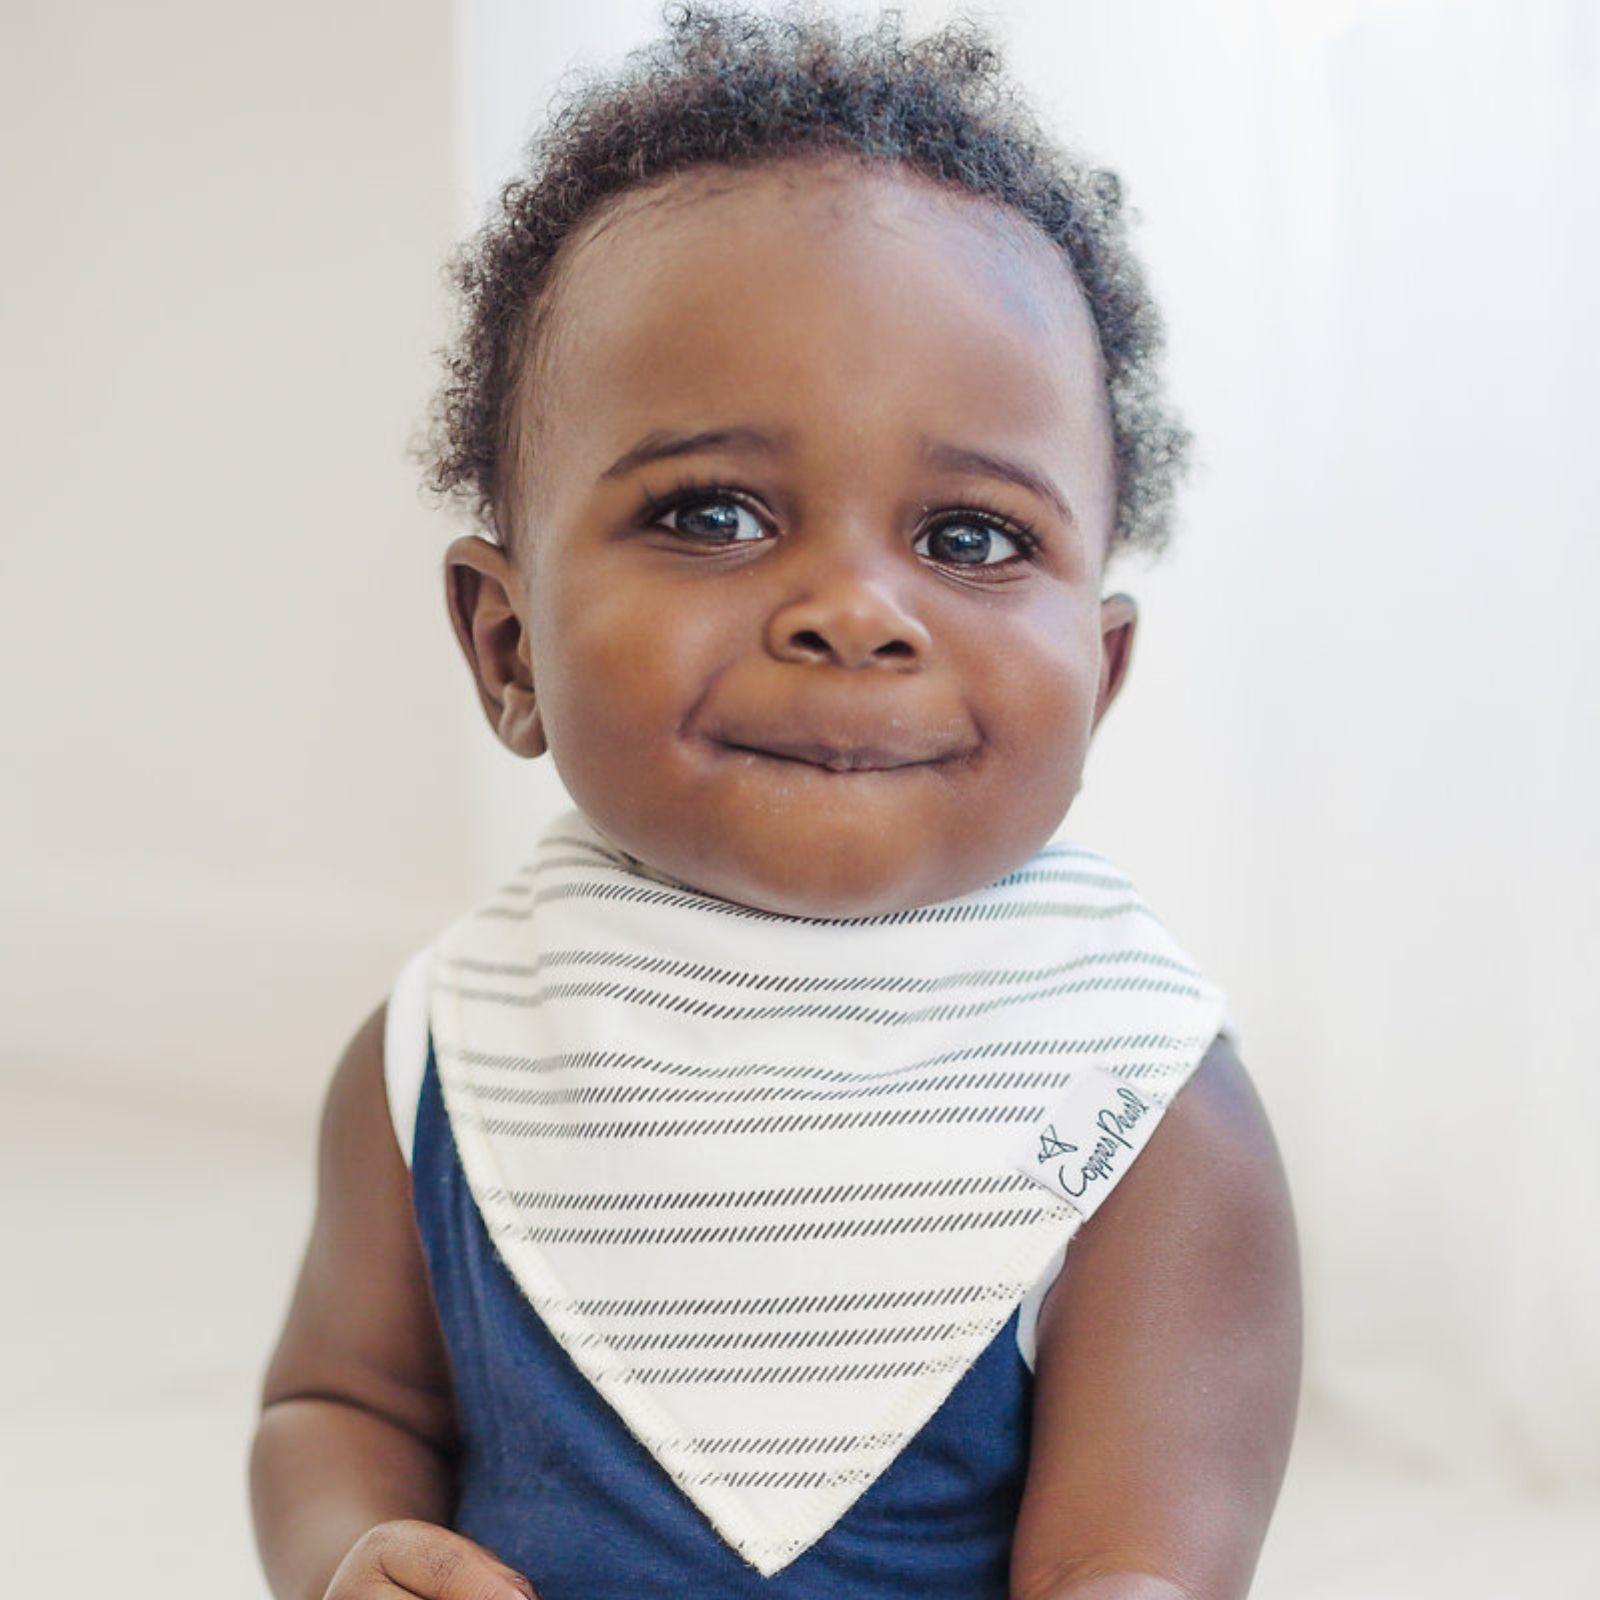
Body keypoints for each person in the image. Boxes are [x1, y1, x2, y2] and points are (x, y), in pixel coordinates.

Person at [248, 6, 1301, 1598]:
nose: (854, 613)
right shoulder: (450, 1047)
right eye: (715, 514)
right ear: (509, 646)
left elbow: (1144, 1555)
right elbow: (338, 1409)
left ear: (1098, 678)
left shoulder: (1138, 1093)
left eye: (968, 538)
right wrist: (352, 1552)